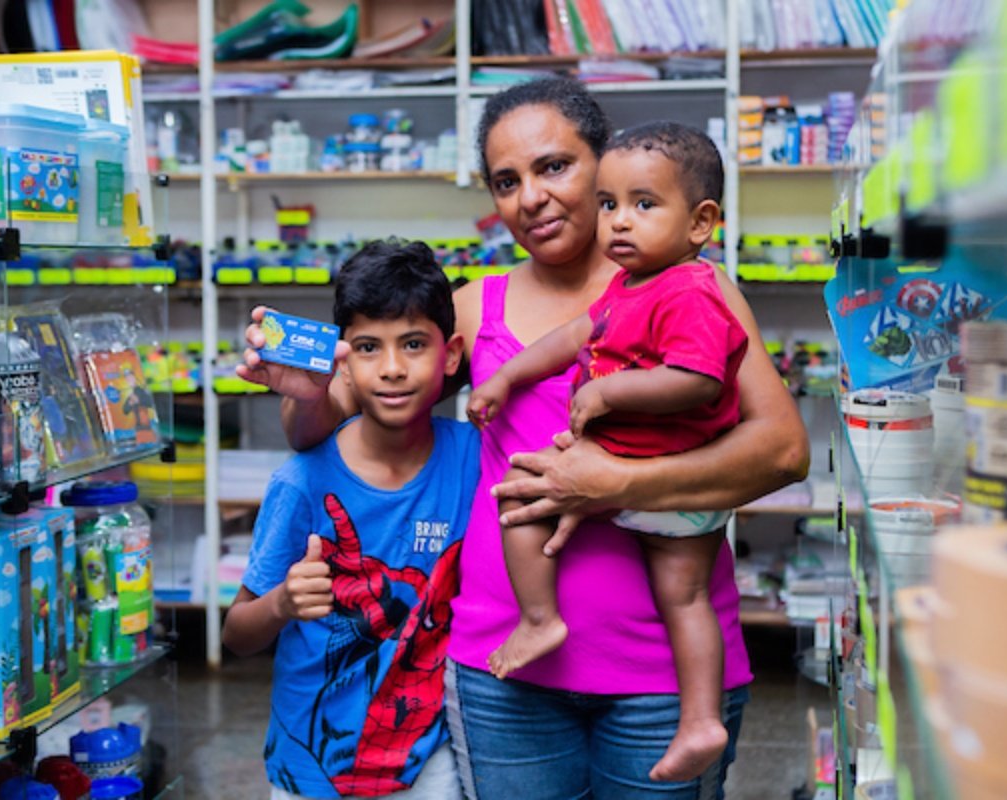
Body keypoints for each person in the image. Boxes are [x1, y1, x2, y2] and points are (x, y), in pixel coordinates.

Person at [240, 78, 809, 800]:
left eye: (554, 167)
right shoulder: (477, 307)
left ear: (604, 165)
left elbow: (783, 452)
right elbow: (336, 415)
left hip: (665, 677)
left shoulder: (692, 289)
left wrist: (615, 484)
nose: (531, 198)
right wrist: (308, 394)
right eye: (507, 182)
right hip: (503, 676)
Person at [466, 120, 744, 782]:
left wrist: (612, 397)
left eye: (642, 205)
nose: (620, 221)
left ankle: (700, 717)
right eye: (613, 205)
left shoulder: (697, 288)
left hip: (670, 487)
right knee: (525, 499)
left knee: (684, 597)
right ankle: (542, 620)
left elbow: (704, 382)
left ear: (701, 222)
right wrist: (505, 376)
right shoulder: (626, 288)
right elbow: (570, 338)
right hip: (509, 680)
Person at [223, 240, 479, 800]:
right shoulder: (302, 481)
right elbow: (235, 633)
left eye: (413, 344)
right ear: (343, 360)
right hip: (308, 771)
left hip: (427, 763)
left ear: (451, 354)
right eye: (368, 347)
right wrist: (282, 604)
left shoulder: (473, 459)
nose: (391, 369)